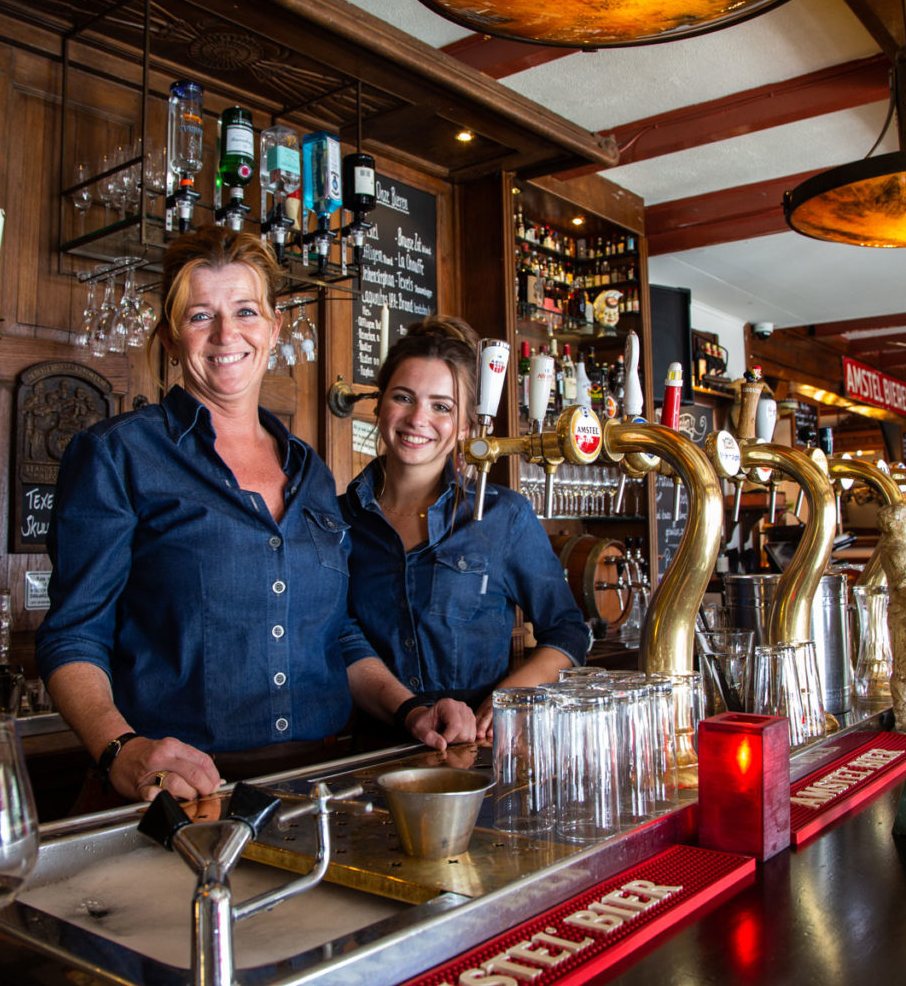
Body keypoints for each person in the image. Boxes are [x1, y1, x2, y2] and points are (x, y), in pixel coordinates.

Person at [35, 227, 474, 805]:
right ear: (170, 339)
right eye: (199, 316)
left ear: (272, 329)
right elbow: (74, 633)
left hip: (319, 784)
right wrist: (118, 746)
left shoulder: (311, 472)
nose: (225, 334)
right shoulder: (118, 455)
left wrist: (409, 708)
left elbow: (333, 631)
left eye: (245, 310)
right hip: (180, 794)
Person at [340, 315, 591, 737]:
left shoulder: (503, 517)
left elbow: (567, 633)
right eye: (403, 397)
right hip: (372, 751)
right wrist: (408, 712)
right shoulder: (338, 520)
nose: (418, 418)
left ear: (466, 426)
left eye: (442, 406)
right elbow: (338, 639)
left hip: (474, 747)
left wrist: (506, 699)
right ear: (380, 405)